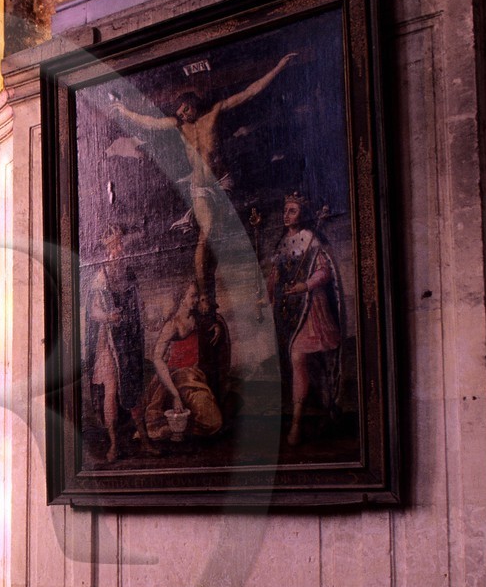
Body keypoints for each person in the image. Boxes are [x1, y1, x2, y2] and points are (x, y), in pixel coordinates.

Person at [106, 51, 299, 303]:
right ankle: (205, 295)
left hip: (223, 182)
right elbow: (149, 122)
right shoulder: (178, 125)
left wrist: (278, 67)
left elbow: (249, 92)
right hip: (200, 186)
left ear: (193, 104)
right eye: (179, 112)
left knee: (228, 234)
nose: (183, 114)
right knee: (205, 235)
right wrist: (124, 111)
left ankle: (249, 284)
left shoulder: (214, 113)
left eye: (185, 109)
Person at [267, 193, 343, 446]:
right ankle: (300, 420)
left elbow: (324, 271)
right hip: (289, 310)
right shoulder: (282, 244)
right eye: (285, 210)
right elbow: (276, 275)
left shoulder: (311, 239)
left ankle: (309, 418)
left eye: (292, 211)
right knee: (298, 360)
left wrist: (305, 286)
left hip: (311, 308)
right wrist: (266, 296)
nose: (286, 215)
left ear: (302, 214)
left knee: (317, 361)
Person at [84, 224, 147, 462]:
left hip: (128, 338)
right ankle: (113, 445)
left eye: (120, 245)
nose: (118, 250)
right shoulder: (101, 277)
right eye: (113, 247)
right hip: (107, 342)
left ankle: (145, 438)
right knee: (111, 391)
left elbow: (138, 303)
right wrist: (109, 317)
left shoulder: (128, 273)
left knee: (133, 386)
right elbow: (93, 312)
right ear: (107, 251)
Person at [143, 279, 229, 443]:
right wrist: (174, 394)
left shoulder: (196, 317)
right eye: (193, 296)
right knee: (212, 421)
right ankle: (174, 429)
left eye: (197, 296)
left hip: (195, 378)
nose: (196, 300)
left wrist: (217, 325)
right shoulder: (173, 324)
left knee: (215, 421)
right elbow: (157, 358)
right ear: (182, 298)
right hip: (178, 379)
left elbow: (210, 322)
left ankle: (180, 429)